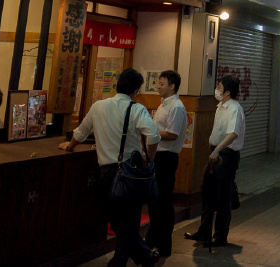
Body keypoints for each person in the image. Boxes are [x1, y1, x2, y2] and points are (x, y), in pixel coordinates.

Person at [61, 68, 161, 267]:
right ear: (135, 90)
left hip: (106, 173)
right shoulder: (136, 109)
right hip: (130, 174)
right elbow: (154, 136)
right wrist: (149, 159)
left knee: (117, 221)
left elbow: (81, 132)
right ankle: (140, 257)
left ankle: (127, 260)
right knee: (128, 222)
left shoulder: (98, 106)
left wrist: (69, 146)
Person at [185, 75, 245, 248]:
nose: (216, 90)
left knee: (223, 197)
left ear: (227, 92)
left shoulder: (234, 109)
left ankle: (220, 236)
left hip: (226, 156)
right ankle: (204, 231)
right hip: (215, 154)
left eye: (219, 87)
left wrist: (217, 150)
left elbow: (233, 133)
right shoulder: (220, 106)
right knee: (208, 194)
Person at [147, 70, 187, 259]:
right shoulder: (164, 105)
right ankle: (153, 241)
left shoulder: (176, 107)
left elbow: (172, 134)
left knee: (163, 202)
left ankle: (163, 245)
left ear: (172, 86)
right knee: (156, 202)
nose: (158, 87)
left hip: (167, 159)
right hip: (157, 158)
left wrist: (150, 130)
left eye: (161, 83)